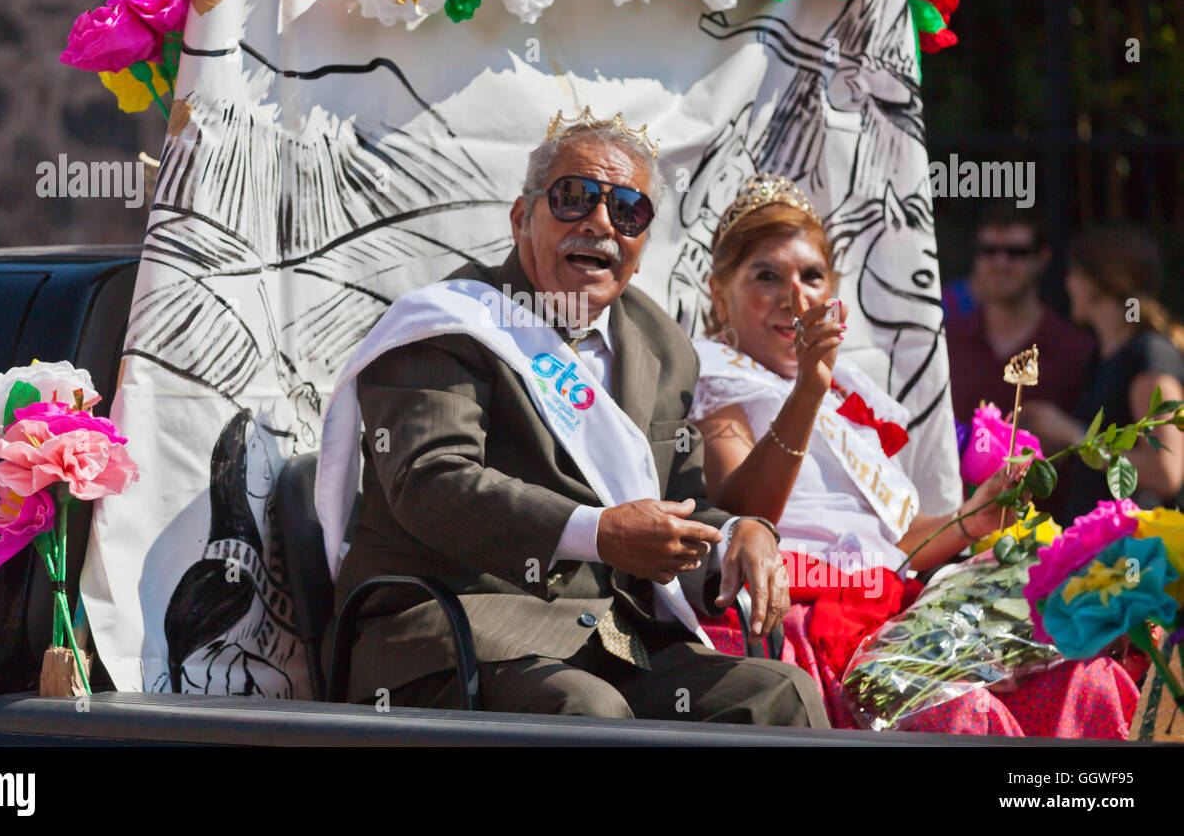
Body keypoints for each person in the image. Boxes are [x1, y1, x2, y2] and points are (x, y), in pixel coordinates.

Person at [318, 110, 828, 726]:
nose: (600, 224)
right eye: (574, 198)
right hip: (453, 630)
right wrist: (600, 533)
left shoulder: (663, 346)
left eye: (628, 211)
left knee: (782, 693)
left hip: (614, 641)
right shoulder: (446, 323)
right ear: (521, 219)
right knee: (587, 710)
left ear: (641, 246)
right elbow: (430, 481)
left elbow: (681, 502)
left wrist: (736, 536)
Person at [688, 175, 1141, 736]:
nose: (795, 296)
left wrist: (971, 518)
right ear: (717, 292)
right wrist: (808, 388)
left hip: (896, 603)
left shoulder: (849, 395)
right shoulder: (716, 380)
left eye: (811, 276)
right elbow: (744, 508)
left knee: (1084, 679)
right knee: (958, 714)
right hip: (814, 616)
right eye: (766, 276)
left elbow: (896, 540)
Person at [1021, 225, 1184, 523]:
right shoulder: (1101, 357)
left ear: (1097, 282)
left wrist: (1073, 434)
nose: (1067, 283)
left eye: (1074, 273)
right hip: (1102, 550)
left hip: (1134, 554)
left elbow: (1166, 473)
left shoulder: (1148, 354)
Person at [946, 207, 1096, 425]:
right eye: (988, 251)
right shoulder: (947, 342)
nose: (1000, 263)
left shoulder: (1077, 349)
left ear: (1042, 258)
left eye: (1016, 252)